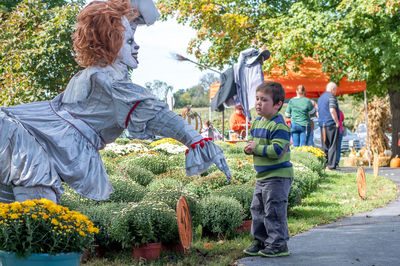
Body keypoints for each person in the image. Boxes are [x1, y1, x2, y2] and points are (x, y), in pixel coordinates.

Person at [0, 0, 231, 204]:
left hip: (26, 131)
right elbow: (159, 115)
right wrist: (196, 140)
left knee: (33, 201)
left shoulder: (91, 74)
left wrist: (131, 15)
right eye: (129, 41)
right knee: (39, 203)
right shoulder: (110, 83)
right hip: (25, 139)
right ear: (110, 42)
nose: (137, 46)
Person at [243, 81, 293, 257]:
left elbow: (278, 150)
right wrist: (248, 148)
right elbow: (252, 142)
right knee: (257, 209)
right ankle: (261, 240)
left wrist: (256, 148)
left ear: (278, 104)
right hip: (262, 176)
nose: (258, 103)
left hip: (278, 176)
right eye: (257, 99)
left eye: (264, 100)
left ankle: (278, 243)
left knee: (274, 210)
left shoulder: (279, 125)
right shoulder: (257, 122)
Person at [317, 82, 340, 170]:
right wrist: (337, 122)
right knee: (333, 145)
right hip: (331, 123)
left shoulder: (320, 98)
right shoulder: (331, 97)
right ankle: (331, 165)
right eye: (336, 90)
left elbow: (318, 112)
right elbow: (332, 110)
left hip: (322, 125)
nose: (336, 92)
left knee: (324, 145)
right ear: (332, 89)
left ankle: (324, 164)